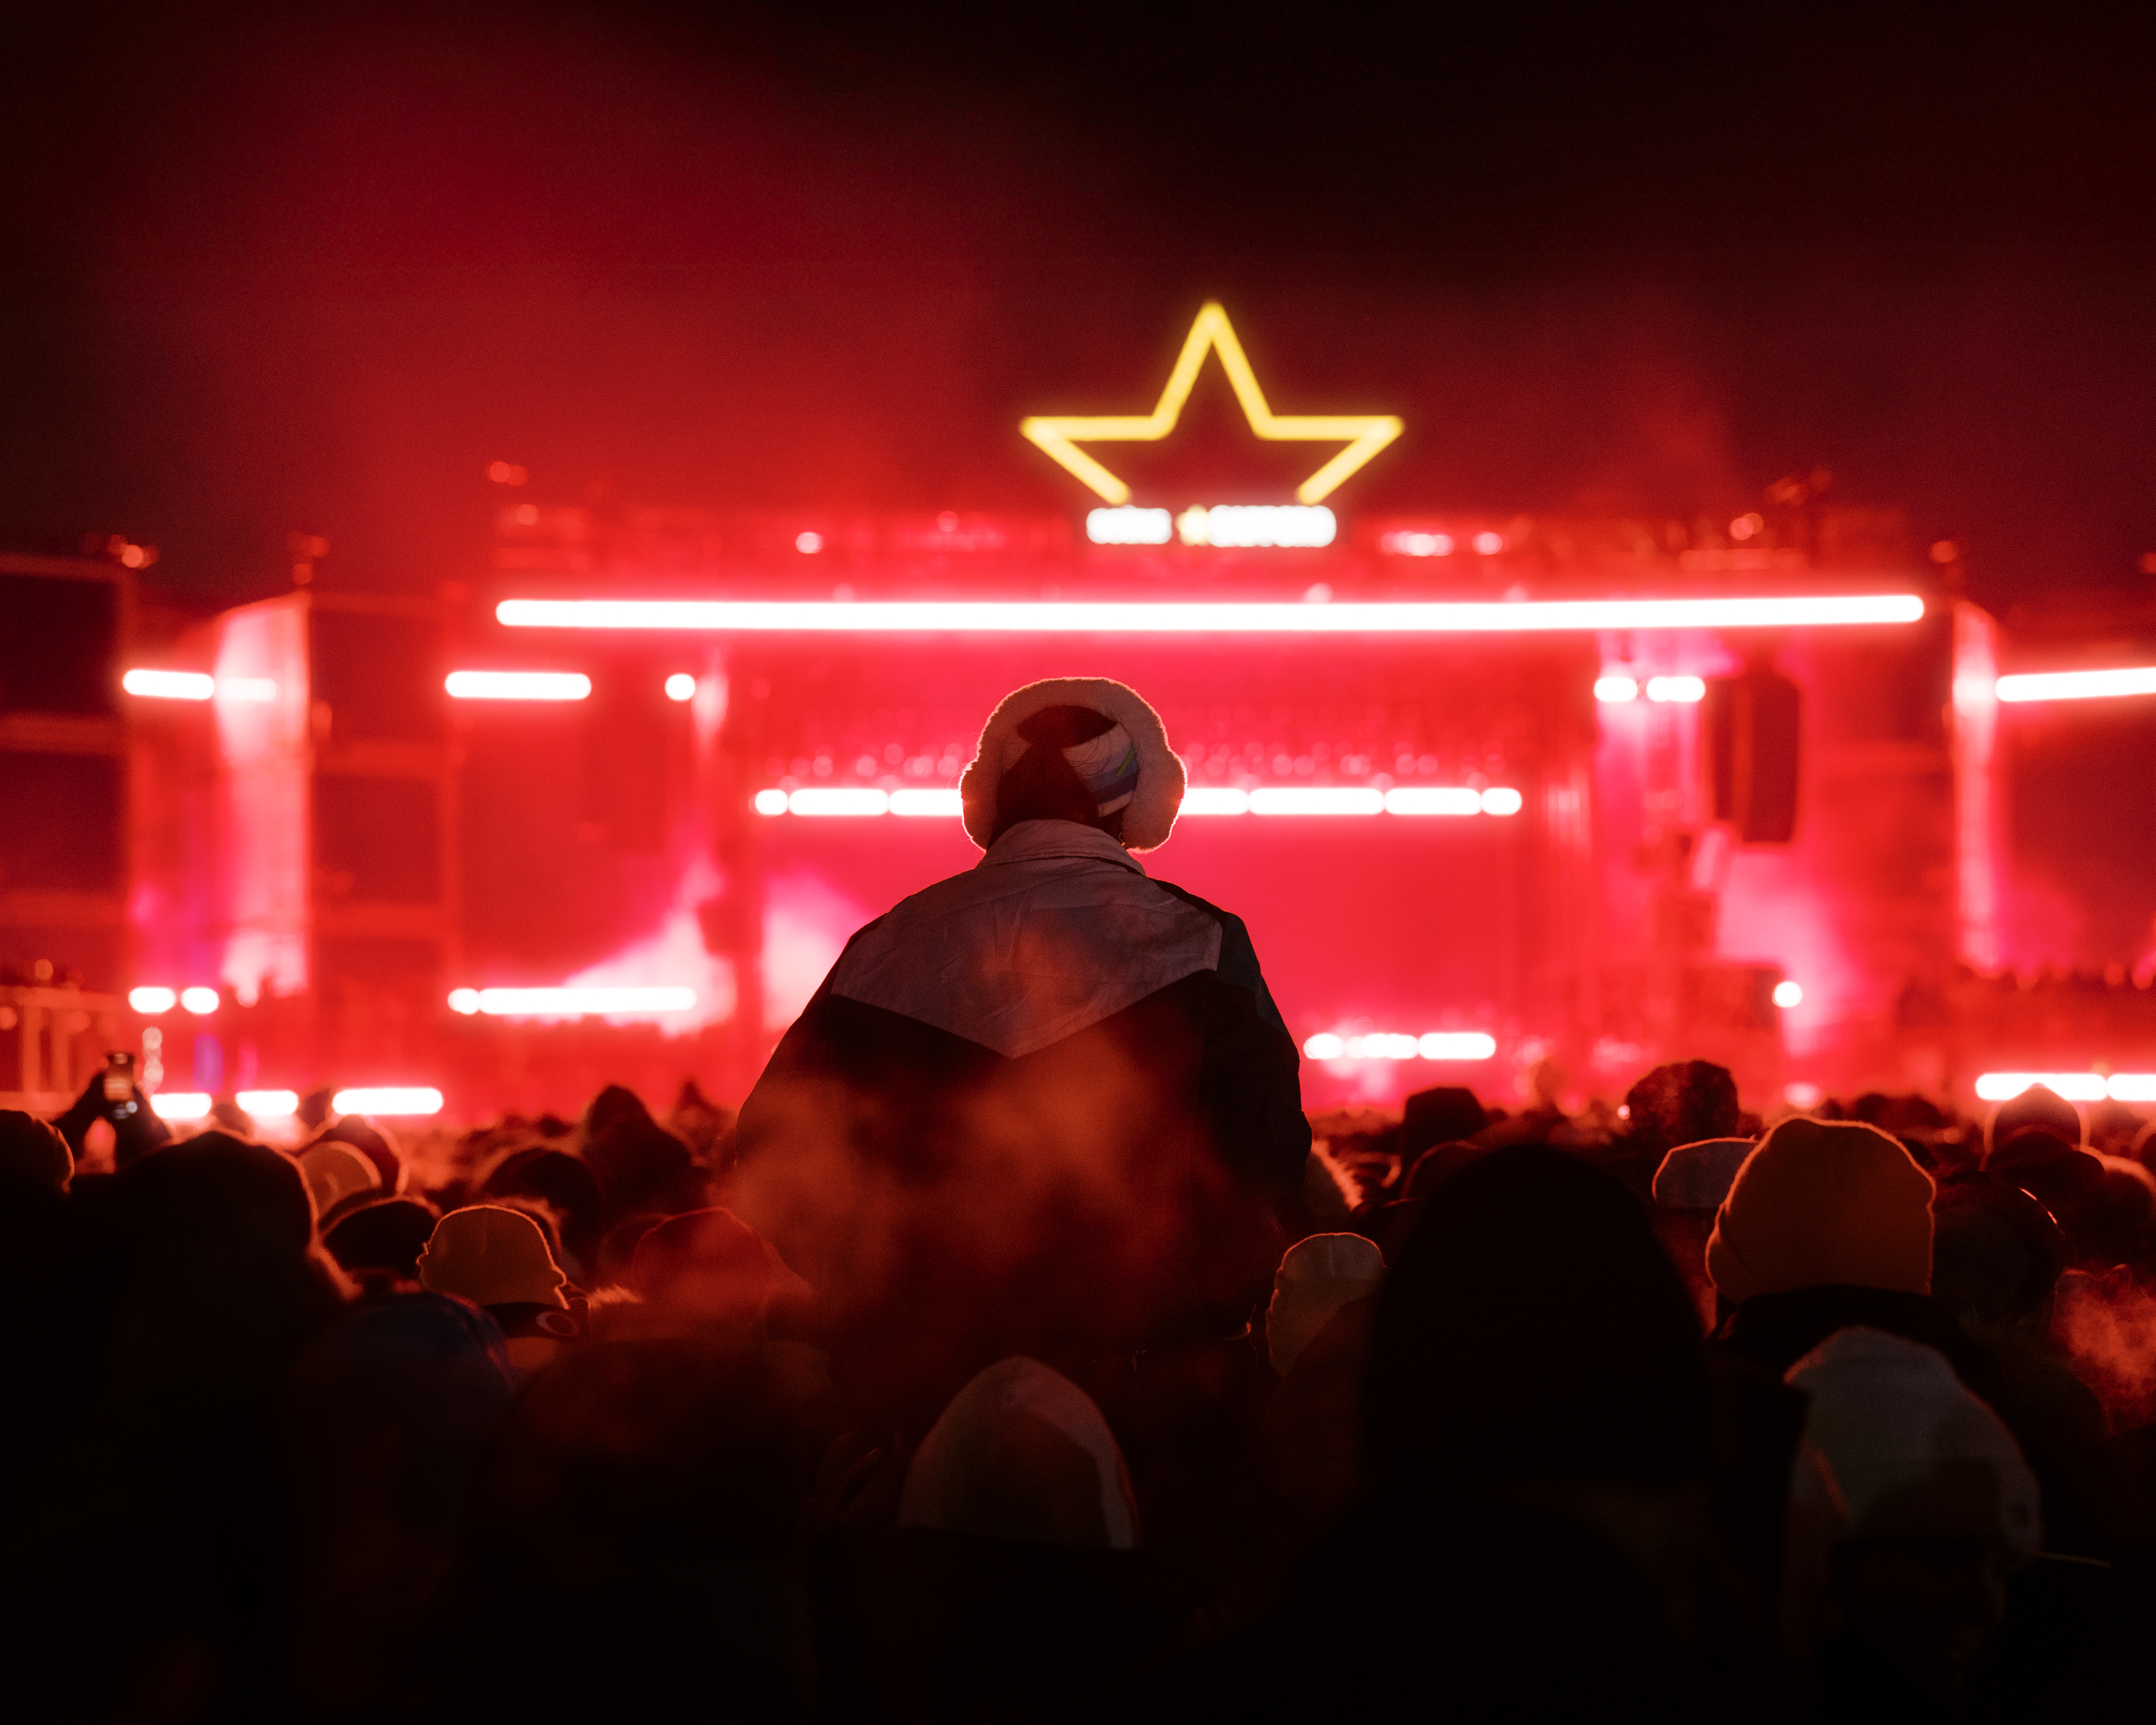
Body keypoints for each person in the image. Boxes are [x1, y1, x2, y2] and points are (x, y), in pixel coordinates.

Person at [732, 678, 1310, 1427]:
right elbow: (1263, 1159)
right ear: (1143, 804)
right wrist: (1195, 1304)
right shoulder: (1199, 942)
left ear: (988, 799)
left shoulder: (884, 948)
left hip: (916, 1396)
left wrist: (872, 1295)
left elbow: (772, 1154)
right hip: (1148, 1394)